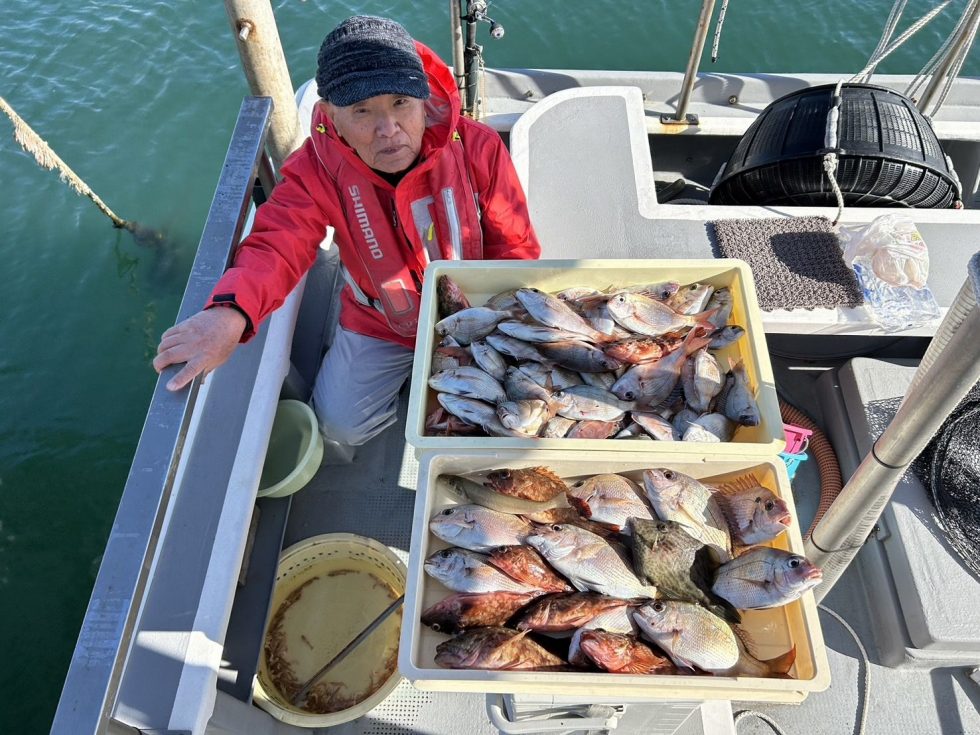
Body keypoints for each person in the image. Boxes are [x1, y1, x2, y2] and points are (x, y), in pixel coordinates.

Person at [153, 15, 540, 453]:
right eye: (362, 111)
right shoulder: (313, 170)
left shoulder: (478, 147)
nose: (388, 130)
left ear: (422, 96)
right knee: (339, 428)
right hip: (383, 322)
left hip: (478, 314)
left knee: (518, 413)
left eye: (400, 103)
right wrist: (230, 312)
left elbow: (516, 248)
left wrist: (507, 323)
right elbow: (278, 242)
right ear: (333, 116)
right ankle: (414, 388)